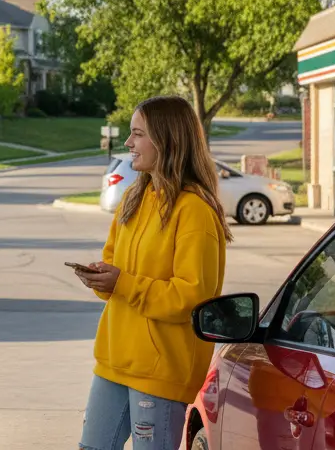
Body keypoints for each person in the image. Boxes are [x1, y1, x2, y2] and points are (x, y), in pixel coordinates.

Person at [75, 95, 230, 450]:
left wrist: (123, 283)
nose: (128, 143)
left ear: (167, 140)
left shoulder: (195, 212)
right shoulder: (135, 197)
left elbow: (191, 298)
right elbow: (116, 272)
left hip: (161, 371)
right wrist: (102, 278)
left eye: (138, 134)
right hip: (114, 361)